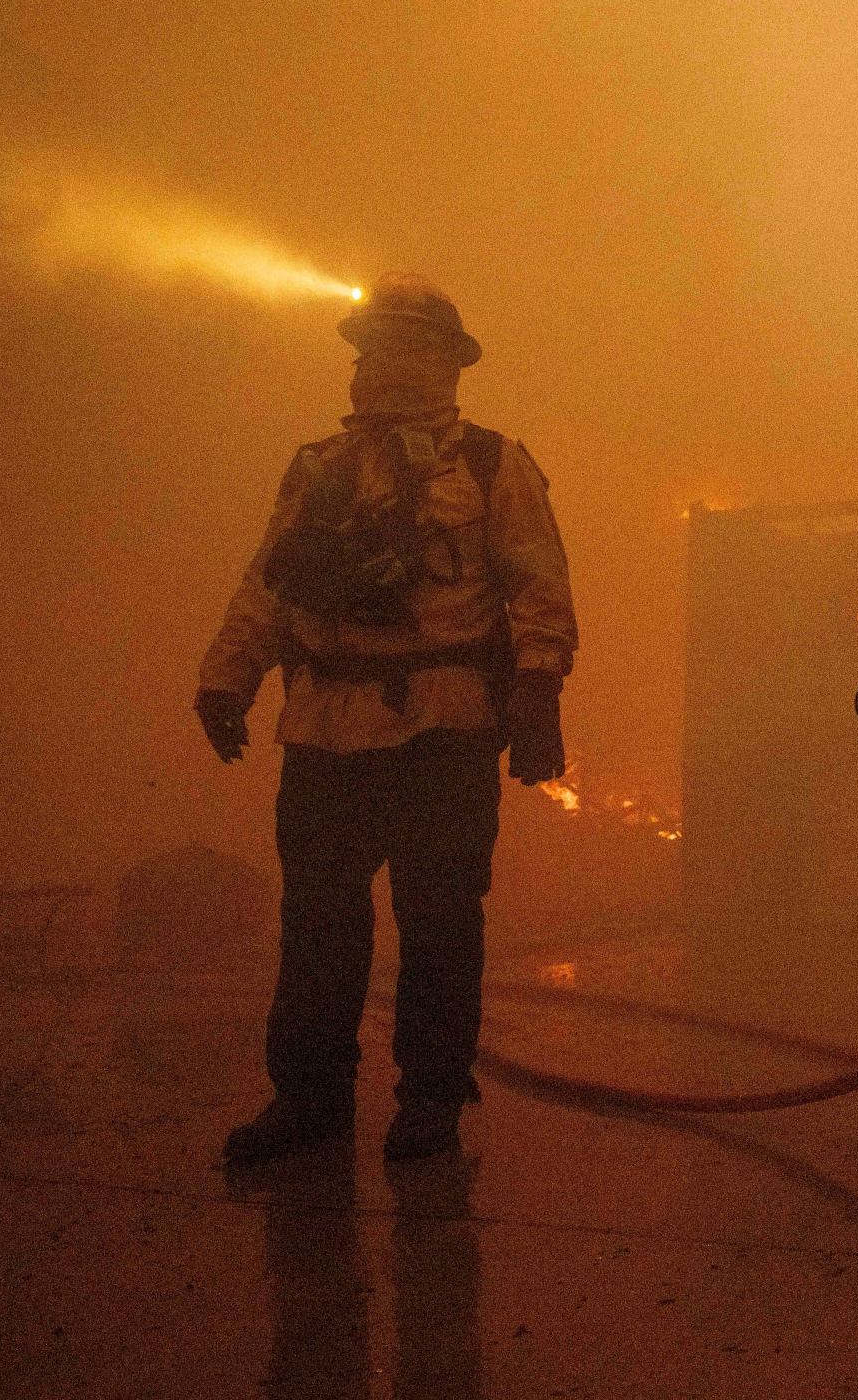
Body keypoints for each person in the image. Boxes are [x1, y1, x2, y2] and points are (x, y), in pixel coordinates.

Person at [197, 273, 575, 1165]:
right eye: (370, 343)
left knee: (441, 923)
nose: (376, 361)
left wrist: (539, 692)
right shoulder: (317, 470)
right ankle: (309, 1096)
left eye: (400, 343)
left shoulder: (491, 464)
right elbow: (268, 586)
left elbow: (538, 585)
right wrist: (228, 677)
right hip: (323, 727)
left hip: (442, 730)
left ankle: (431, 1101)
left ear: (445, 360)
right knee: (319, 921)